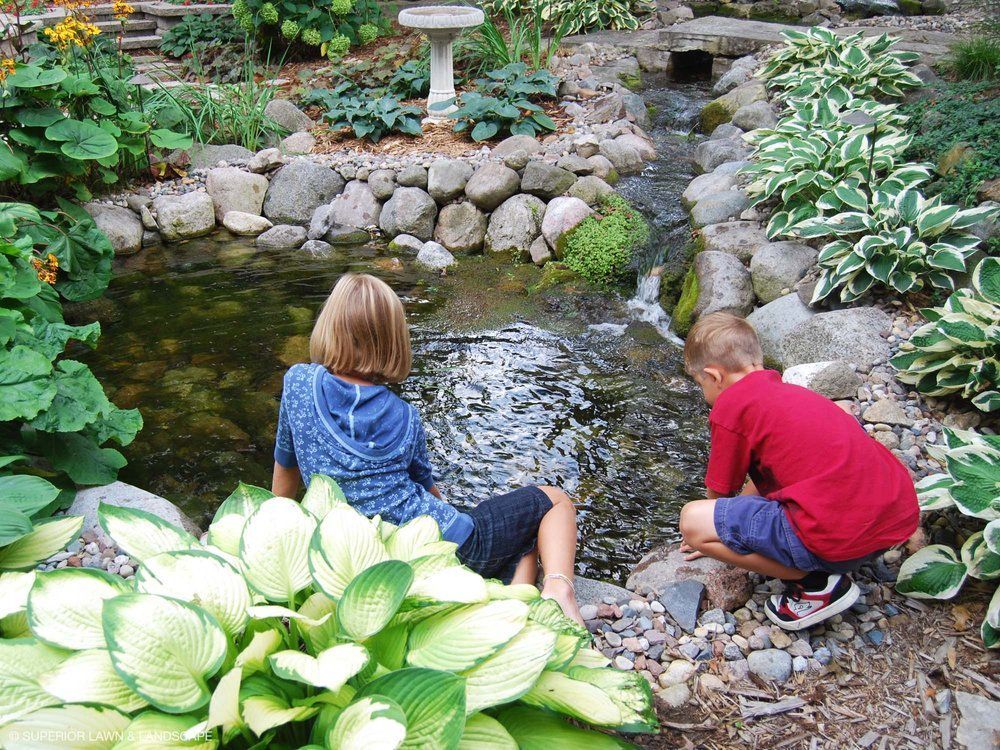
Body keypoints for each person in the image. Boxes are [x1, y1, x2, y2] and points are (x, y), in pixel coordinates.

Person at [271, 273, 583, 624]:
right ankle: (558, 591)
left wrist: (281, 539)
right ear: (392, 341)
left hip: (360, 559)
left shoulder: (298, 383)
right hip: (437, 550)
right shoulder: (404, 417)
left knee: (521, 542)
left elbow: (286, 467)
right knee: (554, 501)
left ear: (328, 326)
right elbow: (428, 492)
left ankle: (515, 604)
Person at [677, 312, 918, 631]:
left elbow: (720, 491)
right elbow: (765, 479)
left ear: (714, 376)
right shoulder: (792, 396)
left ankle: (817, 582)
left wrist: (708, 530)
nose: (704, 393)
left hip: (834, 540)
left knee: (692, 520)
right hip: (891, 522)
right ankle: (827, 561)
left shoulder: (732, 406)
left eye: (700, 384)